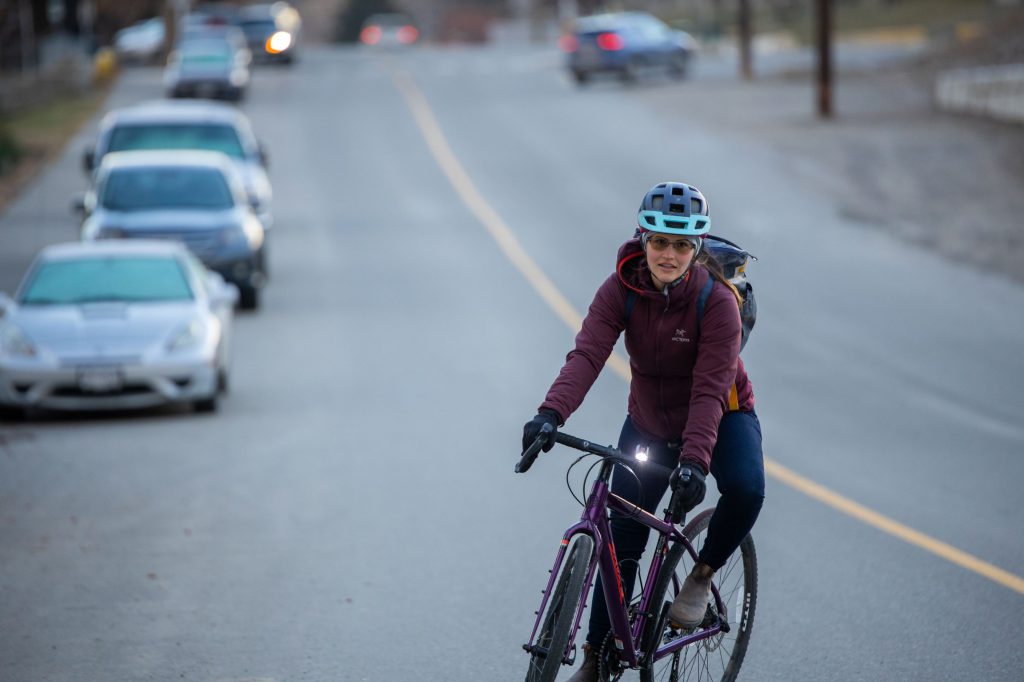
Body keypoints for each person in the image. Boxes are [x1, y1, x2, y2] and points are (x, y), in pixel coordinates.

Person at [522, 182, 765, 682]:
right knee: (621, 534)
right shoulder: (620, 289)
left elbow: (710, 388)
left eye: (681, 245)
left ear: (696, 249)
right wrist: (550, 414)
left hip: (721, 414)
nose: (668, 254)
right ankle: (597, 656)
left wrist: (696, 462)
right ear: (642, 239)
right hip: (651, 421)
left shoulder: (717, 302)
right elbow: (588, 355)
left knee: (746, 488)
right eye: (659, 242)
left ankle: (700, 575)